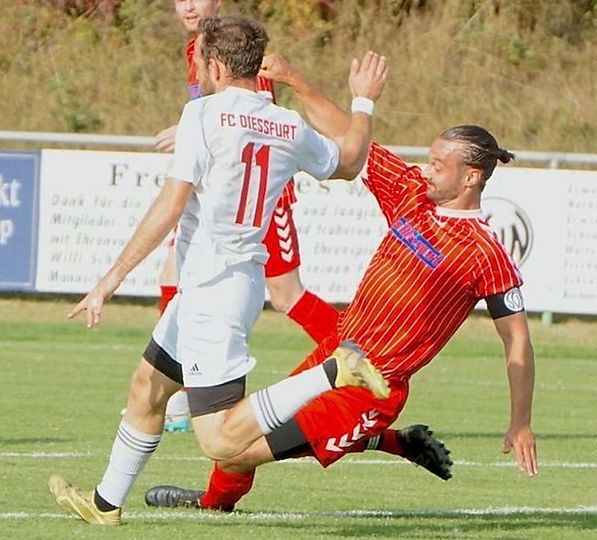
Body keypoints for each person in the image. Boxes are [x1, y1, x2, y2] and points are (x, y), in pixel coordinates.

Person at [144, 54, 538, 513]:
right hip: (336, 353)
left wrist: (521, 422)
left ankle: (385, 440)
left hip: (373, 386)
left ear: (471, 177)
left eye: (437, 164)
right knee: (240, 430)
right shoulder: (411, 193)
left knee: (236, 449)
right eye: (428, 161)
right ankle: (215, 504)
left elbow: (518, 340)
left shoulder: (484, 253)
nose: (426, 170)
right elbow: (349, 142)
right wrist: (295, 79)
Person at [48, 16, 391, 525]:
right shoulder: (288, 124)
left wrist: (110, 280)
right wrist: (363, 101)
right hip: (220, 284)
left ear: (213, 65)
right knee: (148, 387)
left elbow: (170, 203)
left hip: (217, 291)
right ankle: (105, 505)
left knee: (220, 438)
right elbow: (348, 161)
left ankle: (333, 371)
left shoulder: (203, 115)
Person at [156, 0, 342, 433]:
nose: (187, 6)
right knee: (173, 267)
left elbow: (255, 118)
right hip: (223, 196)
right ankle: (182, 387)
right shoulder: (197, 50)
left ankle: (361, 356)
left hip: (261, 199)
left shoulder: (239, 49)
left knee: (287, 295)